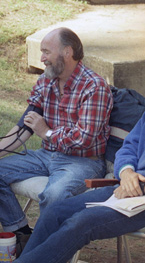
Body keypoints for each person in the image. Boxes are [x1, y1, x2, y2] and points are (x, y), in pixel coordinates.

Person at [0, 27, 113, 245]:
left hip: (83, 162)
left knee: (54, 194)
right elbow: (25, 127)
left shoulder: (94, 86)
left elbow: (85, 138)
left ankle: (43, 252)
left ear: (67, 52)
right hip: (47, 155)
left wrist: (46, 132)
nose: (42, 58)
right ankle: (23, 237)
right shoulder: (46, 81)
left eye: (46, 51)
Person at [14, 110, 145, 263]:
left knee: (81, 222)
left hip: (140, 198)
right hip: (128, 188)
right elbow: (129, 146)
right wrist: (126, 171)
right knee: (54, 212)